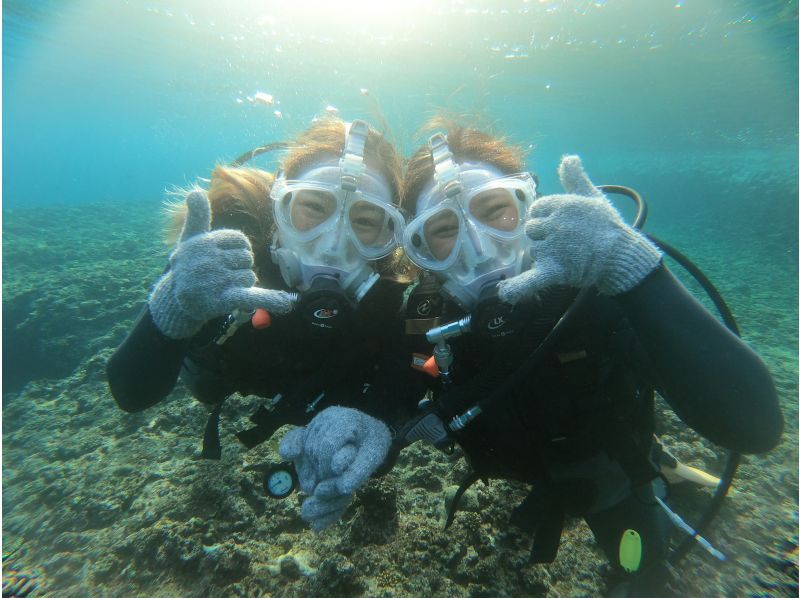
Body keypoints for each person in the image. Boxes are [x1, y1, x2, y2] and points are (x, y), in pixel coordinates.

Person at [278, 120, 783, 592]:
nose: (478, 248)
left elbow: (754, 427)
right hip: (515, 469)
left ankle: (662, 470)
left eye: (496, 210)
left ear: (528, 208)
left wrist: (635, 271)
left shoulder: (594, 291)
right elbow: (395, 396)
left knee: (641, 574)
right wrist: (370, 425)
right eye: (445, 229)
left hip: (609, 477)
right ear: (419, 248)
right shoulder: (427, 318)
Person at [106, 117, 424, 529]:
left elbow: (397, 403)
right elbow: (131, 393)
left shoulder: (390, 306)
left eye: (365, 220)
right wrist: (175, 308)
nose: (333, 242)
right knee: (205, 385)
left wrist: (374, 429)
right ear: (279, 207)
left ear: (389, 236)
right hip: (226, 375)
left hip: (316, 393)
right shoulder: (223, 263)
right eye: (313, 206)